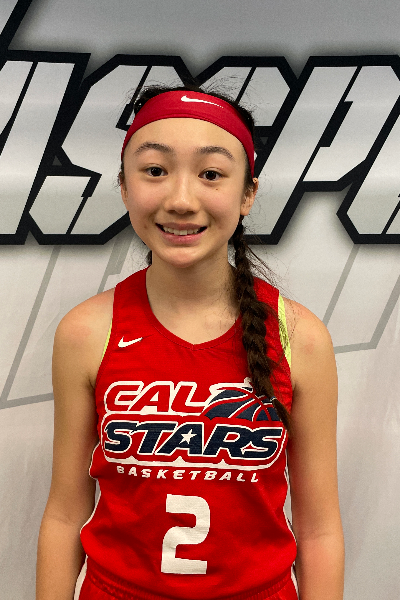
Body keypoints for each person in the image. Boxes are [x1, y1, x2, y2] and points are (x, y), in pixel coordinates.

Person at [36, 86, 344, 600]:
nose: (181, 200)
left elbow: (319, 529)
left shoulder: (300, 337)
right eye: (155, 170)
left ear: (247, 194)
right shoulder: (86, 332)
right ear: (124, 187)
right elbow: (65, 513)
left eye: (211, 174)